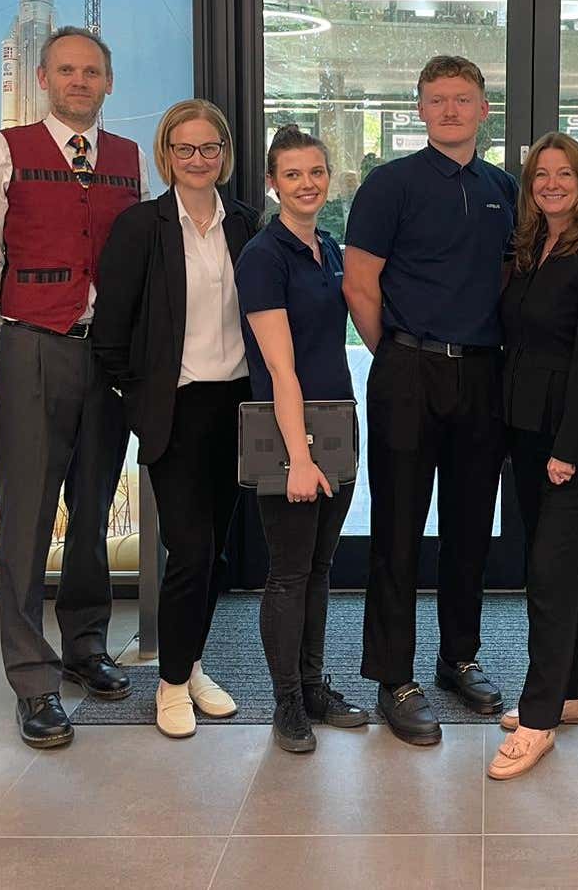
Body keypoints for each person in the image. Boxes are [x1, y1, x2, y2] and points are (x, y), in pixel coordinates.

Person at [0, 27, 149, 748]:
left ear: (109, 82)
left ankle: (86, 644)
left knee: (95, 504)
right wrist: (22, 324)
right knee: (26, 516)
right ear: (43, 76)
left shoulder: (132, 159)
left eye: (92, 71)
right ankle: (32, 679)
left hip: (108, 353)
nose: (79, 81)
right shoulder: (3, 149)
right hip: (34, 345)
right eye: (67, 69)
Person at [342, 56, 517, 745]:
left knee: (472, 526)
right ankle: (394, 677)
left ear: (483, 109)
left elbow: (506, 277)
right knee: (398, 530)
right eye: (437, 99)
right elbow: (360, 285)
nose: (449, 110)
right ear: (418, 109)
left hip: (482, 374)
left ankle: (458, 657)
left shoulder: (505, 187)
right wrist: (403, 352)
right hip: (408, 367)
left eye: (462, 99)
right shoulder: (390, 185)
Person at [92, 99, 258, 738]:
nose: (197, 159)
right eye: (185, 149)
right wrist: (141, 405)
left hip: (239, 407)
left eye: (208, 148)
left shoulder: (245, 224)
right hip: (176, 410)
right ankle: (168, 683)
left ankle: (190, 668)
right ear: (167, 155)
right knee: (188, 550)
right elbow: (110, 336)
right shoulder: (141, 228)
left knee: (213, 554)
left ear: (224, 154)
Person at [487, 133, 578, 781]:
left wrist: (568, 449)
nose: (551, 183)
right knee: (555, 566)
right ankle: (570, 693)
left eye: (563, 173)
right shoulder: (525, 249)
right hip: (528, 429)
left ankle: (538, 717)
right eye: (540, 174)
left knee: (547, 570)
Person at [237, 125, 371, 753]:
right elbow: (280, 368)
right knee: (288, 573)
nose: (307, 183)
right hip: (284, 427)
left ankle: (314, 685)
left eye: (316, 171)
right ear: (273, 183)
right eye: (293, 174)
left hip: (338, 418)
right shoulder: (263, 257)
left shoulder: (331, 248)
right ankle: (286, 701)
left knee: (320, 567)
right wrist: (297, 457)